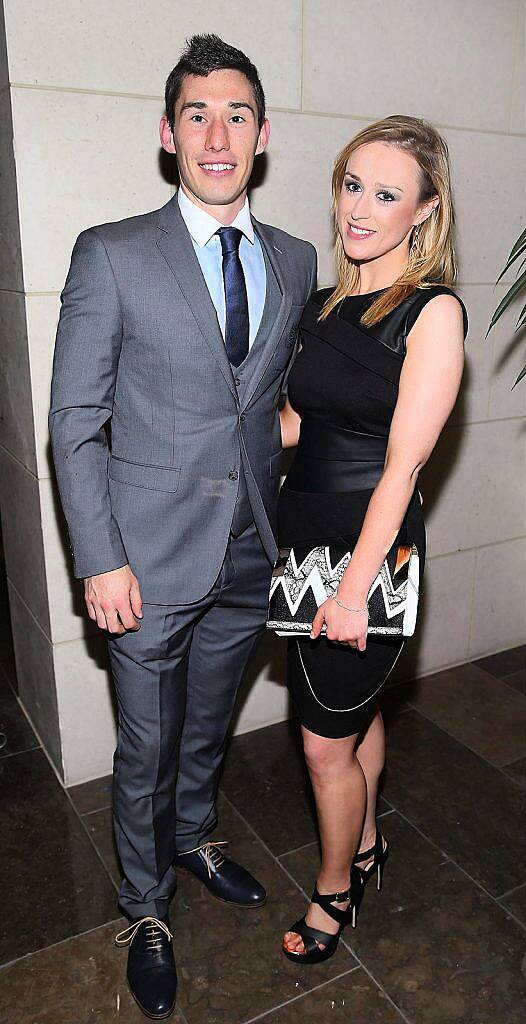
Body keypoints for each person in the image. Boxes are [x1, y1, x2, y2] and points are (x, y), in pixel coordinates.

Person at [49, 34, 316, 1018]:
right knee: (146, 742)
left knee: (207, 721)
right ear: (169, 134)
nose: (217, 134)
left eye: (236, 114)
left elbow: (275, 395)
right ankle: (148, 906)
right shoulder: (112, 253)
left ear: (262, 133)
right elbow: (73, 422)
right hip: (146, 559)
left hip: (252, 542)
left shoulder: (294, 258)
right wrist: (100, 556)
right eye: (197, 114)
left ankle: (196, 834)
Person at [278, 116, 467, 963]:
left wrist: (353, 590)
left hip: (369, 548)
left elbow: (402, 467)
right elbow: (292, 425)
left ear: (424, 210)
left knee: (322, 745)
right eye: (353, 183)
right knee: (350, 716)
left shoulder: (432, 315)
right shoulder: (323, 303)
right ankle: (363, 844)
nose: (360, 207)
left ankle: (334, 890)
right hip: (301, 533)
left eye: (387, 194)